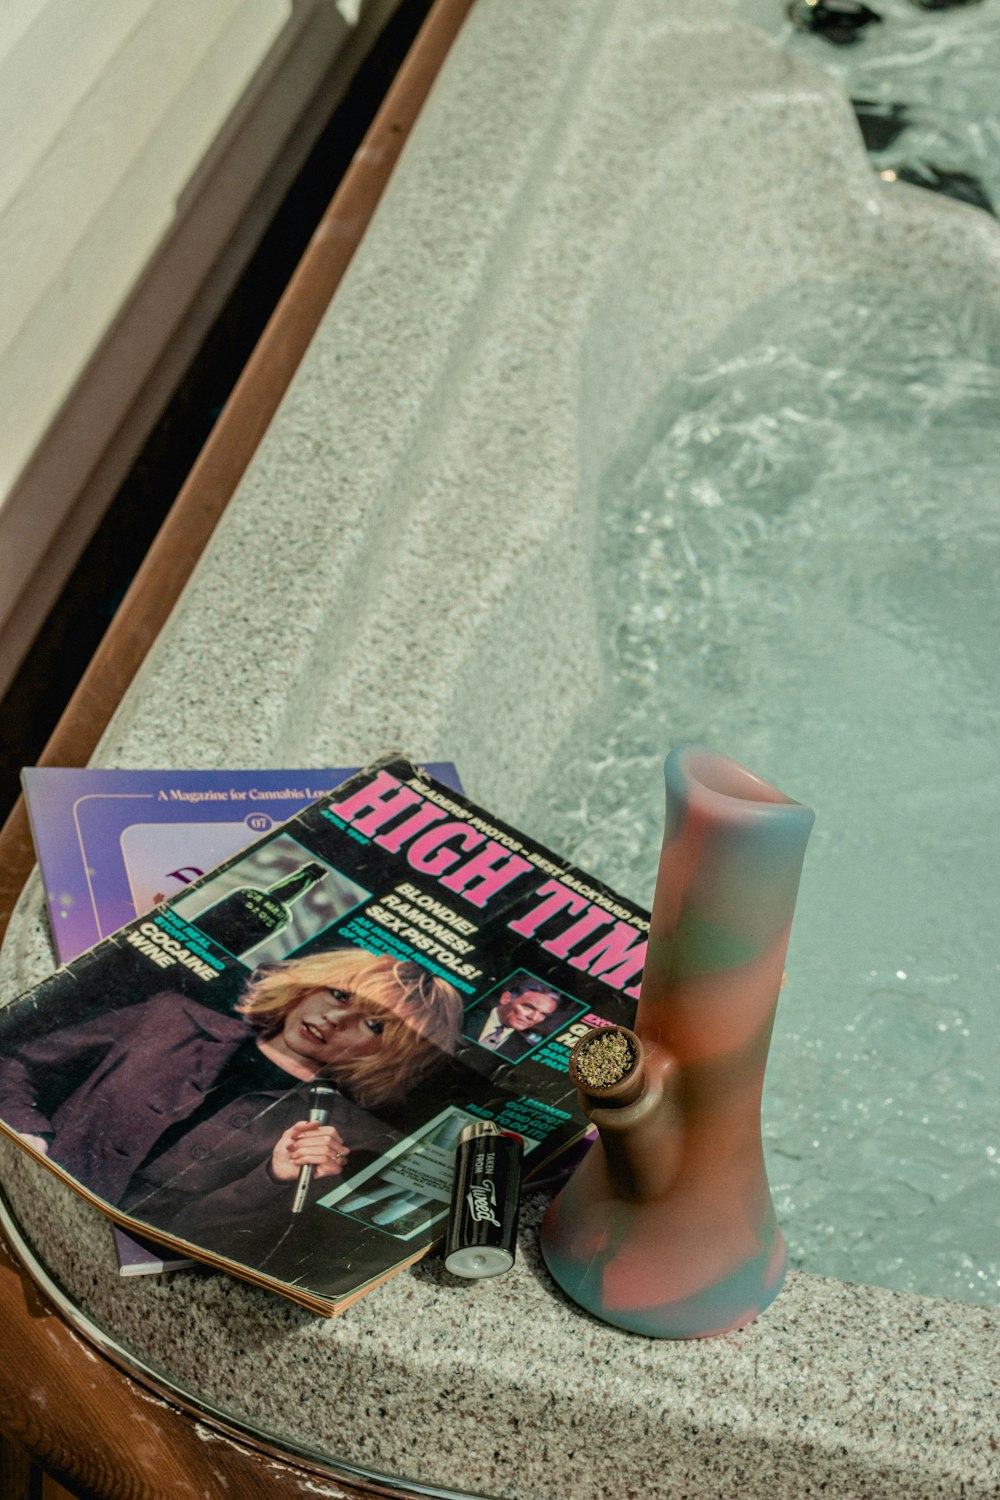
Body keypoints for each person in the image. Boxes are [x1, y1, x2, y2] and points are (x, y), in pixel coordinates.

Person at [0, 947, 462, 1268]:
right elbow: (14, 1060)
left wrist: (273, 1180)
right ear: (307, 987)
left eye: (375, 1024)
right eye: (339, 994)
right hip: (20, 1197)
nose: (335, 1018)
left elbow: (208, 1244)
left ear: (391, 1054)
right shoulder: (170, 1016)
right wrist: (29, 1130)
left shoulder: (347, 1138)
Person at [463, 974, 560, 1061]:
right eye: (529, 1007)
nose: (533, 1017)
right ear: (506, 998)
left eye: (543, 1014)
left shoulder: (523, 1051)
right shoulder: (464, 1015)